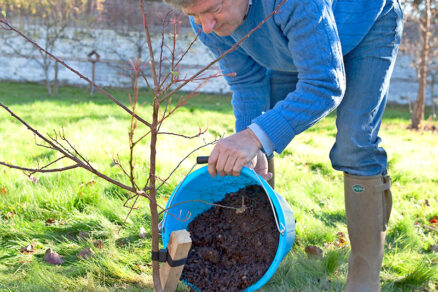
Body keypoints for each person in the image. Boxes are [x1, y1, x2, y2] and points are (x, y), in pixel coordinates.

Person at [165, 0, 403, 290]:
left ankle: (364, 279)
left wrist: (253, 138)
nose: (206, 26)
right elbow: (248, 83)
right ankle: (257, 253)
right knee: (263, 123)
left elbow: (324, 83)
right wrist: (252, 143)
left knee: (355, 144)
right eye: (194, 15)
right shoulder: (206, 18)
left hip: (365, 25)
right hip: (296, 42)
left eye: (214, 9)